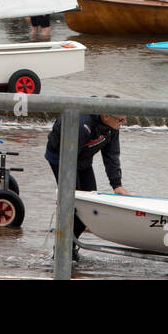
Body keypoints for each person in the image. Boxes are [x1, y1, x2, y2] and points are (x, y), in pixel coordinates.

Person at [44, 105, 129, 258]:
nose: (124, 122)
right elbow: (67, 159)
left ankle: (68, 247)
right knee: (74, 207)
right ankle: (62, 252)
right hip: (61, 158)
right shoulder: (82, 125)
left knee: (89, 208)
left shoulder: (113, 125)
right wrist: (65, 193)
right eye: (121, 119)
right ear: (106, 116)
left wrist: (117, 185)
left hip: (83, 159)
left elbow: (111, 155)